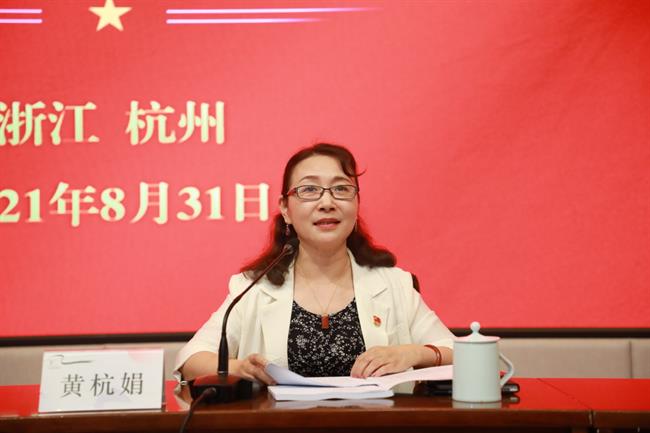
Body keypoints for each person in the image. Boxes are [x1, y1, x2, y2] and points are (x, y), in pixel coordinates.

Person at [174, 143, 454, 385]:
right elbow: (191, 359)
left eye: (341, 189)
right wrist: (239, 368)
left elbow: (460, 353)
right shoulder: (254, 287)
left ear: (356, 204)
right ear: (286, 209)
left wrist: (413, 353)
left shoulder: (394, 284)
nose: (327, 202)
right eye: (309, 190)